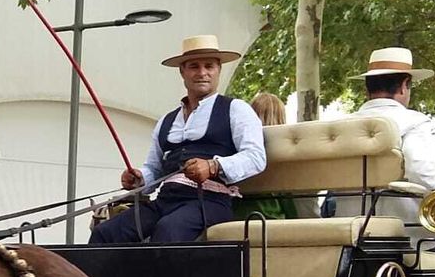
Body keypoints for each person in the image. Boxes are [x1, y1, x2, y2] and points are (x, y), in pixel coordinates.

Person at [90, 34, 266, 243]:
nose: (202, 73)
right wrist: (139, 178)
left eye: (209, 66)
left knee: (168, 231)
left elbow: (256, 157)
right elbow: (154, 169)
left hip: (210, 202)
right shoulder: (167, 120)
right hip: (165, 201)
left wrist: (213, 166)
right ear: (182, 72)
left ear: (219, 69)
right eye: (194, 66)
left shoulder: (236, 109)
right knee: (106, 232)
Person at [334, 48, 435, 224]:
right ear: (404, 86)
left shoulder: (341, 126)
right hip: (404, 231)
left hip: (348, 227)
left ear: (367, 88)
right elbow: (421, 172)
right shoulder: (415, 122)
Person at [232, 92, 295, 222]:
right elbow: (291, 206)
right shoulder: (285, 152)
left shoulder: (236, 147)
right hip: (273, 218)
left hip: (238, 217)